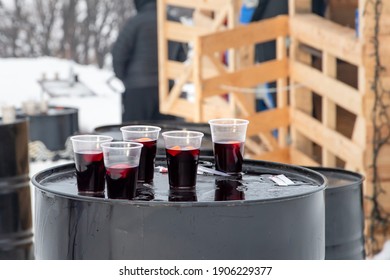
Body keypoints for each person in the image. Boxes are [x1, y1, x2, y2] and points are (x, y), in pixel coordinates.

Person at [112, 0, 180, 122]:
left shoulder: (135, 22)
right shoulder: (174, 22)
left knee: (133, 134)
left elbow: (118, 54)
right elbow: (182, 56)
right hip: (167, 90)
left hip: (138, 91)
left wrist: (125, 79)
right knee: (165, 134)